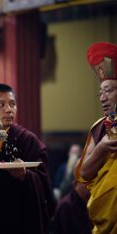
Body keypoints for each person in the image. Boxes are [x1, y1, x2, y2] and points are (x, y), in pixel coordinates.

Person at [0, 83, 54, 234]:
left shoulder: (27, 140)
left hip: (17, 216)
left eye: (13, 104)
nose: (9, 109)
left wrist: (25, 176)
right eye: (1, 104)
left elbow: (43, 181)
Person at [76, 42, 117, 233]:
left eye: (108, 91)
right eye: (100, 92)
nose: (102, 98)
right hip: (106, 217)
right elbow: (84, 173)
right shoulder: (99, 128)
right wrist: (101, 149)